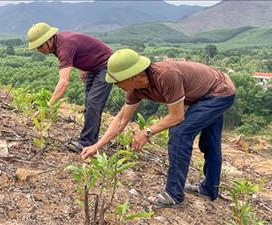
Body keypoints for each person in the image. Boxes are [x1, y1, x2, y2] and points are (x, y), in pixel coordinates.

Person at [81, 49, 236, 208]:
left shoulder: (166, 75)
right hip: (204, 93)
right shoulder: (135, 90)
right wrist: (97, 146)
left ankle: (173, 194)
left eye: (117, 81)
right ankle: (209, 190)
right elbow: (121, 119)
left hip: (219, 91)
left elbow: (177, 116)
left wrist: (147, 132)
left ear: (133, 76)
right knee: (209, 143)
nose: (116, 85)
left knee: (180, 132)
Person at [27, 22, 113, 152]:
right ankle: (90, 141)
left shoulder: (64, 46)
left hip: (105, 66)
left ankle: (86, 143)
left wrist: (47, 107)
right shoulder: (58, 43)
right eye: (37, 48)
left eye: (41, 46)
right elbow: (82, 48)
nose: (40, 50)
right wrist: (83, 66)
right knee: (89, 103)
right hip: (92, 68)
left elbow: (64, 82)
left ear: (49, 39)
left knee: (93, 103)